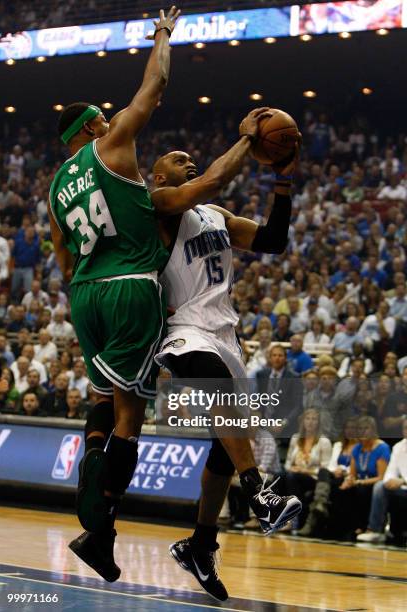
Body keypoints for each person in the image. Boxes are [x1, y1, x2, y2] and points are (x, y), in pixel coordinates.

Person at [48, 7, 181, 584]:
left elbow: (62, 254)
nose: (109, 121)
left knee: (103, 401)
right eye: (101, 118)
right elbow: (155, 85)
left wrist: (88, 281)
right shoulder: (114, 143)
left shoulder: (54, 185)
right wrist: (162, 34)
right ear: (90, 130)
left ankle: (91, 507)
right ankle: (100, 526)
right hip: (130, 286)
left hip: (85, 296)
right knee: (134, 411)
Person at [151, 128, 302, 600]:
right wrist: (247, 138)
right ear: (159, 175)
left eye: (190, 157)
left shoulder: (215, 215)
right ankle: (260, 491)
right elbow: (214, 179)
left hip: (224, 333)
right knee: (216, 393)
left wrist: (283, 182)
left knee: (224, 447)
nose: (188, 161)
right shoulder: (159, 204)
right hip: (183, 327)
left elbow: (274, 240)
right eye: (179, 159)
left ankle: (200, 543)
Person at [298, 417, 358, 537]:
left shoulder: (359, 447)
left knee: (319, 490)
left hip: (348, 478)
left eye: (352, 428)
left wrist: (344, 471)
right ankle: (320, 502)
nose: (349, 430)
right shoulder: (338, 445)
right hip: (333, 476)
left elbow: (356, 468)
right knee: (323, 471)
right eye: (347, 428)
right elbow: (330, 466)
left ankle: (314, 515)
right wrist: (335, 470)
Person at [335, 416, 390, 540]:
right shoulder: (357, 448)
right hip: (359, 482)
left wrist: (359, 482)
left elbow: (382, 477)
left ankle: (365, 527)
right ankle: (342, 528)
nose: (363, 432)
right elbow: (352, 474)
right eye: (360, 429)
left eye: (366, 428)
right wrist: (348, 481)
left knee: (361, 490)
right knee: (340, 488)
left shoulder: (382, 448)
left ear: (373, 430)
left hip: (374, 484)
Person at [357, 418, 407, 544]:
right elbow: (390, 471)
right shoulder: (399, 447)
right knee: (380, 486)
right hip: (402, 488)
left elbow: (401, 479)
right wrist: (389, 481)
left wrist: (402, 481)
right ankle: (375, 531)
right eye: (405, 428)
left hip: (404, 484)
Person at [282, 408, 332, 530]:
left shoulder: (324, 441)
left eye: (314, 419)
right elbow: (288, 463)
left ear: (318, 423)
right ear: (302, 421)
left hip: (313, 478)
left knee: (292, 478)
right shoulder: (295, 438)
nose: (310, 422)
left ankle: (293, 519)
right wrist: (292, 468)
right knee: (281, 477)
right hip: (295, 475)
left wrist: (305, 471)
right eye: (307, 419)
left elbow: (326, 469)